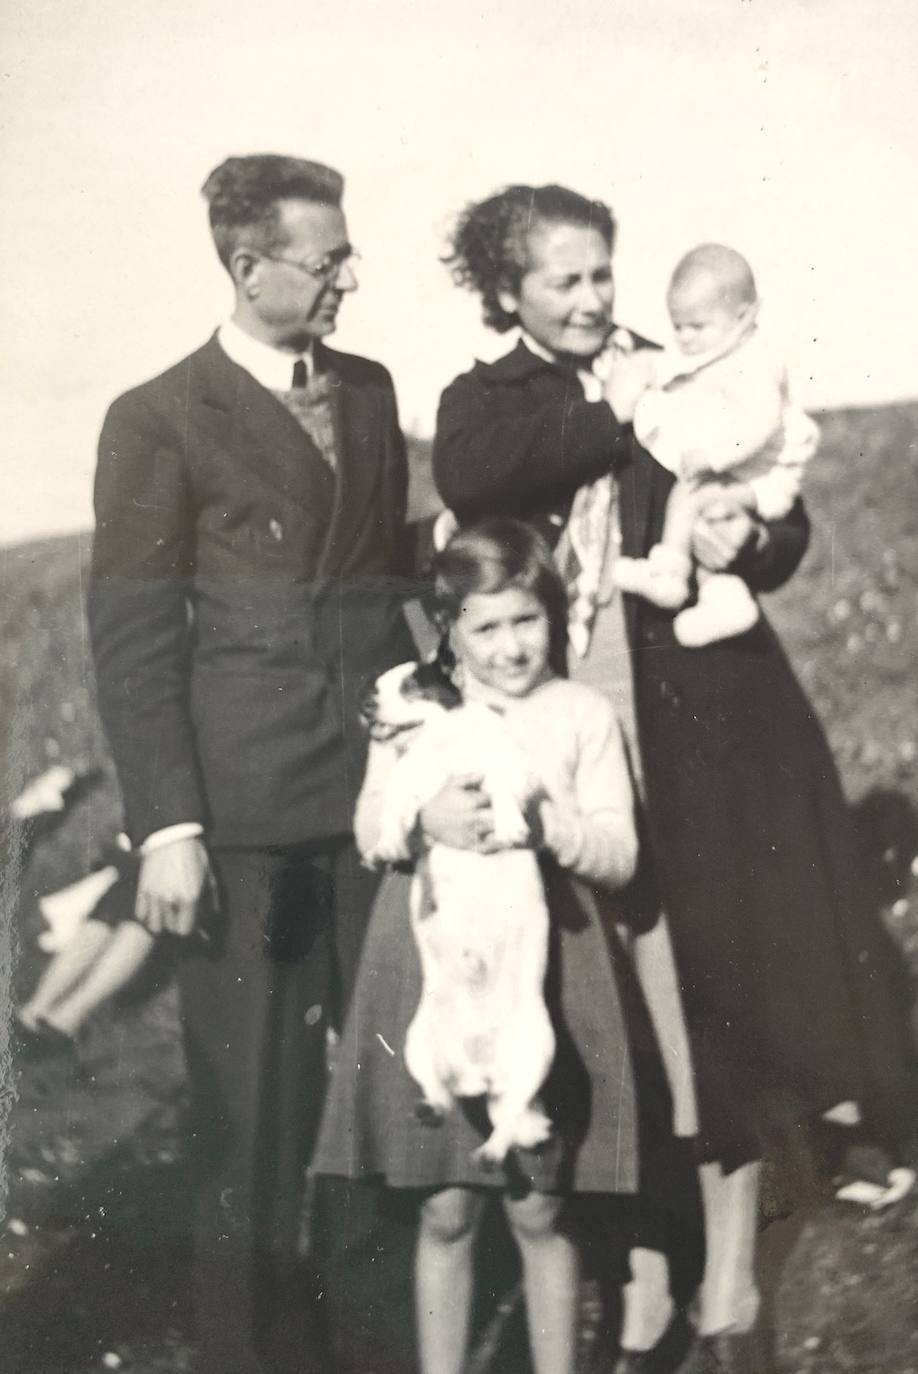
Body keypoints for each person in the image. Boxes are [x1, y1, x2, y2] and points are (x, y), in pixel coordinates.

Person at [432, 183, 917, 1374]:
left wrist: (753, 535)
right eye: (567, 281)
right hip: (575, 726)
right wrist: (630, 411)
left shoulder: (672, 369)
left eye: (605, 274)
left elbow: (764, 496)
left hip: (708, 726)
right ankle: (643, 1268)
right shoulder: (490, 403)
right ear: (510, 294)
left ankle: (730, 1274)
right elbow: (483, 477)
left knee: (717, 990)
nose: (598, 299)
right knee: (612, 1016)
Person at [88, 154, 416, 1374]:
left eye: (344, 256)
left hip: (376, 808)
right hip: (248, 820)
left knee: (385, 1103)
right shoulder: (159, 416)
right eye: (326, 261)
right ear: (248, 266)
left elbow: (390, 583)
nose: (347, 278)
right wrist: (168, 827)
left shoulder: (373, 392)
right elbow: (130, 640)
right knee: (254, 1131)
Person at [312, 517, 643, 1374]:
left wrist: (548, 827)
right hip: (433, 964)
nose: (509, 646)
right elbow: (370, 831)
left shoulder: (582, 714)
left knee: (541, 1208)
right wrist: (423, 821)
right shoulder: (414, 715)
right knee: (445, 1209)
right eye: (485, 627)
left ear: (555, 617)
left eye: (526, 620)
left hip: (549, 963)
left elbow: (621, 852)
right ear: (449, 634)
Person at [613, 243, 820, 647]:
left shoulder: (757, 360)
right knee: (704, 513)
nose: (685, 338)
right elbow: (673, 368)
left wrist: (714, 455)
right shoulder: (717, 348)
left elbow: (763, 421)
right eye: (678, 326)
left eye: (697, 326)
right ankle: (724, 597)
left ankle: (669, 572)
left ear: (743, 316)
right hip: (747, 474)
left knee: (691, 497)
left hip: (765, 480)